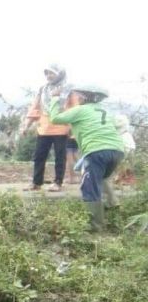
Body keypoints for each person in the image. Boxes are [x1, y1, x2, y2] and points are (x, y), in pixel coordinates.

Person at [48, 85, 125, 231]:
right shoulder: (105, 111)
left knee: (90, 187)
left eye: (78, 95)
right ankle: (114, 213)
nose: (77, 97)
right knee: (102, 179)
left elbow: (55, 118)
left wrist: (54, 98)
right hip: (117, 151)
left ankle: (96, 227)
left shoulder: (80, 110)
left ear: (83, 97)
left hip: (96, 151)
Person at [22, 64, 70, 192]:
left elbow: (74, 108)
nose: (49, 76)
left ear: (59, 73)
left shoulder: (68, 89)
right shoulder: (43, 89)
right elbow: (35, 107)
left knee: (60, 156)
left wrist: (73, 126)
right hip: (44, 128)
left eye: (51, 73)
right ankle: (36, 183)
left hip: (61, 127)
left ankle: (58, 182)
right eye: (47, 73)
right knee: (39, 155)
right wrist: (26, 125)